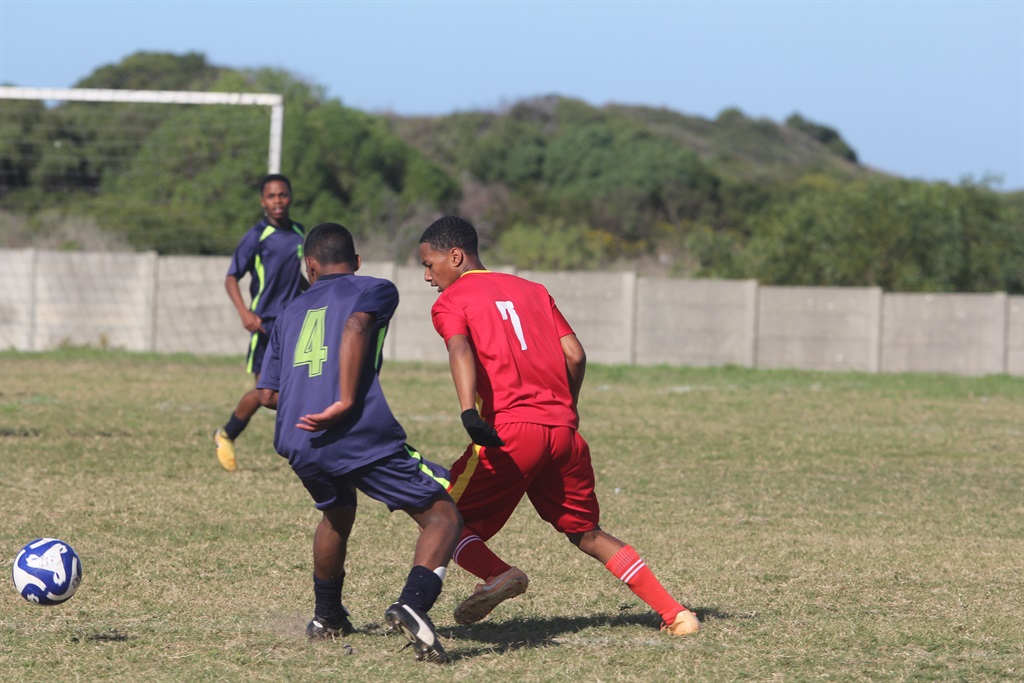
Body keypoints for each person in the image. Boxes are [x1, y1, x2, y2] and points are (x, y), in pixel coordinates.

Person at [417, 215, 700, 636]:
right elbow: (575, 355)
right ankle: (676, 613)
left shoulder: (451, 300)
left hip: (510, 432)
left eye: (429, 263)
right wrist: (567, 406)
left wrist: (468, 413)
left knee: (441, 517)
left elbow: (459, 346)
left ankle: (497, 574)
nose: (427, 276)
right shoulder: (533, 290)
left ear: (455, 256)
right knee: (587, 532)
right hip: (563, 433)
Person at [257, 222, 462, 664]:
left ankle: (327, 616)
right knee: (442, 514)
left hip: (296, 436)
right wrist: (345, 398)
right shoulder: (376, 288)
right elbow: (354, 326)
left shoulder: (289, 312)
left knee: (336, 512)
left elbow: (267, 394)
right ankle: (414, 603)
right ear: (356, 262)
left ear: (309, 266)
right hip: (350, 429)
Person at [214, 173, 308, 472]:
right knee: (263, 392)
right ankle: (226, 434)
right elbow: (231, 277)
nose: (278, 201)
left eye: (282, 195)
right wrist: (245, 312)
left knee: (303, 384)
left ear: (290, 197)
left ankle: (305, 447)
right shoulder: (257, 236)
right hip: (266, 325)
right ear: (262, 201)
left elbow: (299, 279)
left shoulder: (298, 232)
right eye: (271, 196)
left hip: (296, 323)